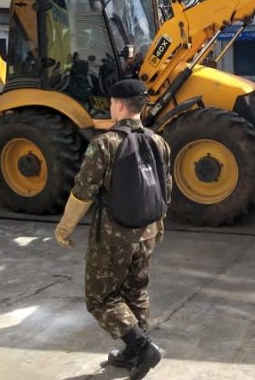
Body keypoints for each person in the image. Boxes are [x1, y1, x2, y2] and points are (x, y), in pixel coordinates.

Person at [55, 79, 171, 380]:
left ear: (119, 105)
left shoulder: (104, 144)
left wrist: (64, 228)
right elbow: (164, 189)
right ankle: (134, 352)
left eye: (111, 103)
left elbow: (83, 192)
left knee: (100, 298)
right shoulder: (159, 142)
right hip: (146, 231)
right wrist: (158, 226)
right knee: (135, 291)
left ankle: (143, 348)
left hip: (113, 235)